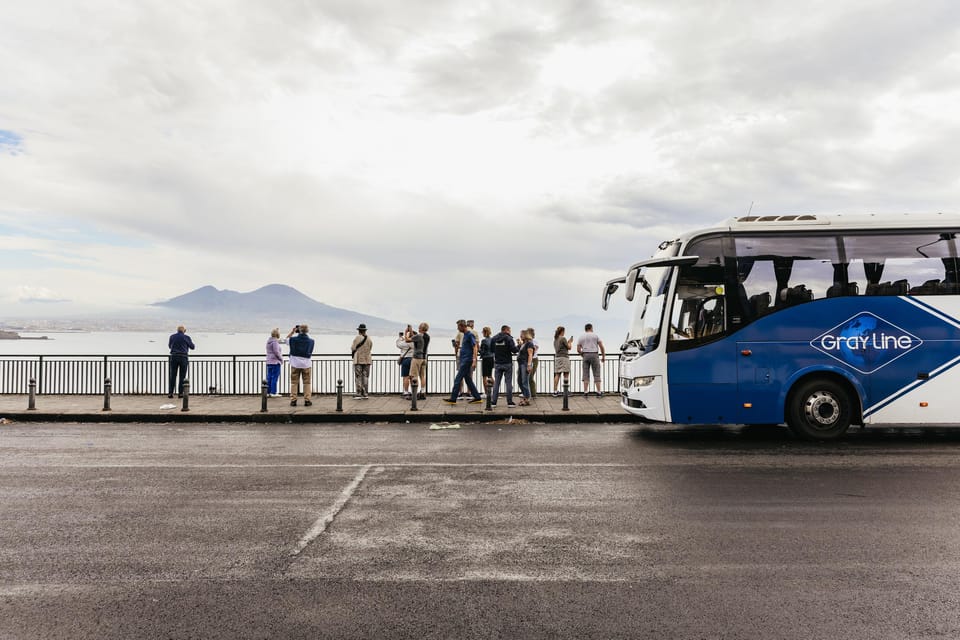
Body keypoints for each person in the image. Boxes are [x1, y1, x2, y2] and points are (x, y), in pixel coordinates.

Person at [444, 320, 483, 405]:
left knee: (457, 379)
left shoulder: (470, 335)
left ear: (462, 326)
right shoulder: (465, 335)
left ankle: (453, 399)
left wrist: (474, 360)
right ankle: (477, 397)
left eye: (458, 327)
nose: (458, 329)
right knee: (468, 380)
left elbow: (475, 347)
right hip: (463, 359)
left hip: (467, 360)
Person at [489, 325, 518, 407]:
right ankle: (509, 402)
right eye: (510, 330)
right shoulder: (509, 338)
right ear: (507, 330)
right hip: (507, 363)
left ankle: (493, 402)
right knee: (508, 383)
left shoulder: (494, 338)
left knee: (496, 383)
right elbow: (514, 350)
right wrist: (519, 346)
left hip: (498, 363)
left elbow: (491, 350)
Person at [287, 324, 315, 406]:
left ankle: (293, 400)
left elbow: (285, 339)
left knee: (294, 382)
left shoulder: (293, 340)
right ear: (307, 331)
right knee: (307, 383)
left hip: (295, 364)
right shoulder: (311, 341)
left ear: (299, 330)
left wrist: (292, 332)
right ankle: (307, 400)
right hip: (306, 364)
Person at [576, 323, 606, 396]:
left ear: (585, 329)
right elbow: (601, 346)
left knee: (585, 373)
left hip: (585, 355)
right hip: (594, 355)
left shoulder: (581, 337)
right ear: (591, 328)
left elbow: (578, 349)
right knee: (596, 373)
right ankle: (599, 392)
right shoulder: (595, 335)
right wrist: (603, 356)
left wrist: (582, 355)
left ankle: (586, 392)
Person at [167, 325, 195, 398]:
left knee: (172, 375)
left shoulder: (172, 336)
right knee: (182, 376)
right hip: (183, 357)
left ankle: (170, 393)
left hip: (174, 357)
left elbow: (170, 346)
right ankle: (180, 393)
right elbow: (192, 347)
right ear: (184, 330)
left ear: (177, 330)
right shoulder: (186, 337)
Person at [407, 322, 430, 400]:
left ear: (421, 328)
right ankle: (423, 392)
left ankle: (414, 394)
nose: (418, 328)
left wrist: (406, 332)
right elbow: (415, 338)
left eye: (419, 327)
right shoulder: (427, 336)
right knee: (422, 376)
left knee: (413, 376)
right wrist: (411, 331)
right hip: (424, 358)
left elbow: (408, 340)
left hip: (417, 358)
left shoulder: (419, 336)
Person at [351, 323, 373, 399]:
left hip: (358, 360)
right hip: (367, 360)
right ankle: (365, 393)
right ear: (365, 331)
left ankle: (358, 393)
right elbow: (370, 348)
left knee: (358, 376)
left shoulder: (357, 338)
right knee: (365, 377)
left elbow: (353, 348)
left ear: (359, 331)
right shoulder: (369, 339)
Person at [553, 326, 573, 396]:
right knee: (566, 374)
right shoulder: (563, 338)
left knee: (557, 374)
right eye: (564, 331)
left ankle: (555, 391)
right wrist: (570, 342)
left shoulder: (555, 339)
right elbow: (569, 347)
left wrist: (567, 343)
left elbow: (561, 347)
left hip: (557, 357)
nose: (564, 333)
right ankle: (566, 390)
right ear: (562, 331)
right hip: (564, 357)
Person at [516, 329, 535, 406]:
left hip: (525, 364)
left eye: (522, 334)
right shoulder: (523, 344)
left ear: (526, 335)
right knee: (519, 381)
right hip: (521, 364)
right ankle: (525, 396)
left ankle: (527, 398)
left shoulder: (529, 344)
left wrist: (529, 365)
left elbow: (530, 355)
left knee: (524, 382)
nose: (520, 336)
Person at [396, 326, 414, 398]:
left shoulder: (404, 343)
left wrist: (401, 337)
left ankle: (406, 392)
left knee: (406, 377)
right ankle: (414, 391)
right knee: (413, 377)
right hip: (413, 360)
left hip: (406, 360)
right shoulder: (414, 343)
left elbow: (397, 344)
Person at [265, 328, 283, 397]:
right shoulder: (275, 342)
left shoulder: (269, 341)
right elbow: (276, 352)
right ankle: (273, 392)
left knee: (269, 377)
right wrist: (281, 359)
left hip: (269, 361)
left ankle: (268, 392)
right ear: (277, 334)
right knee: (275, 377)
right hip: (275, 362)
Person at [479, 326, 495, 391]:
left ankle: (486, 392)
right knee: (490, 376)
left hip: (486, 359)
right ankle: (495, 390)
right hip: (492, 358)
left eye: (483, 332)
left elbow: (482, 352)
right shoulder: (493, 340)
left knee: (484, 376)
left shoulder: (484, 341)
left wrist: (478, 348)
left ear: (485, 332)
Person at [526, 327, 540, 398]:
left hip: (534, 360)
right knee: (527, 377)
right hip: (528, 360)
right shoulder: (527, 342)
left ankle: (533, 394)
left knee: (530, 377)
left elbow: (534, 350)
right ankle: (527, 392)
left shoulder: (534, 341)